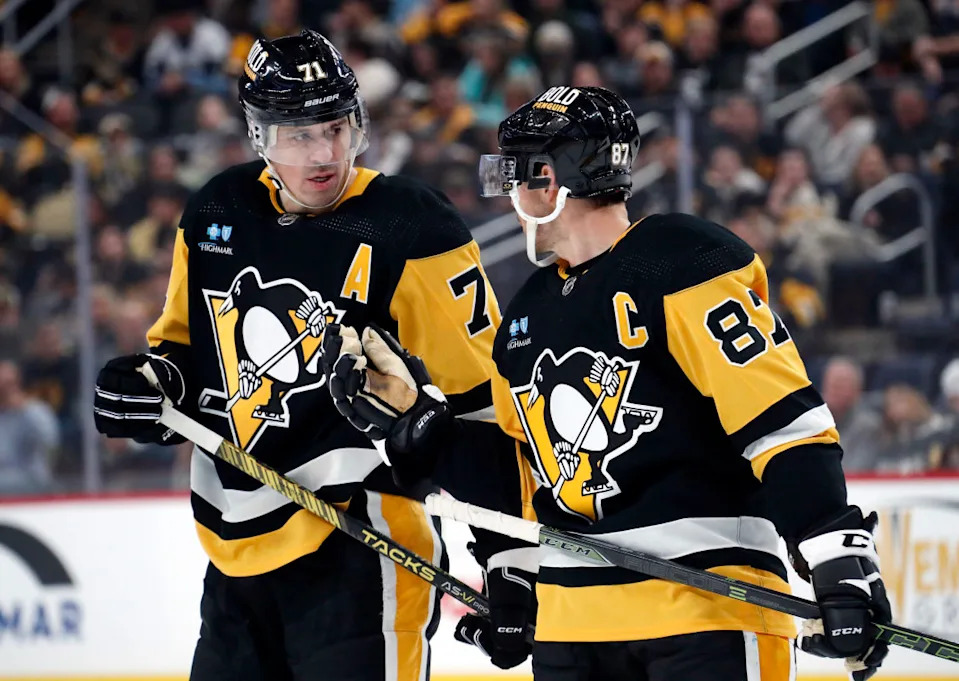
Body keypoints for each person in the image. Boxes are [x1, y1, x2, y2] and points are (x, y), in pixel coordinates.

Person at [323, 86, 893, 680]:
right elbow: (519, 469)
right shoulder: (524, 317)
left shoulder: (679, 259)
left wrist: (833, 550)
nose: (512, 200)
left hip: (703, 612)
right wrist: (422, 427)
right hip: (573, 628)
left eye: (518, 177)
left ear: (550, 180)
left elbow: (776, 416)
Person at [93, 29, 505, 681]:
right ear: (259, 135)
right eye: (298, 134)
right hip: (232, 564)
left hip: (360, 551)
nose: (323, 152)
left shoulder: (411, 226)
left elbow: (485, 407)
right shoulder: (216, 211)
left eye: (335, 128)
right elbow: (181, 352)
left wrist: (509, 559)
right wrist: (146, 387)